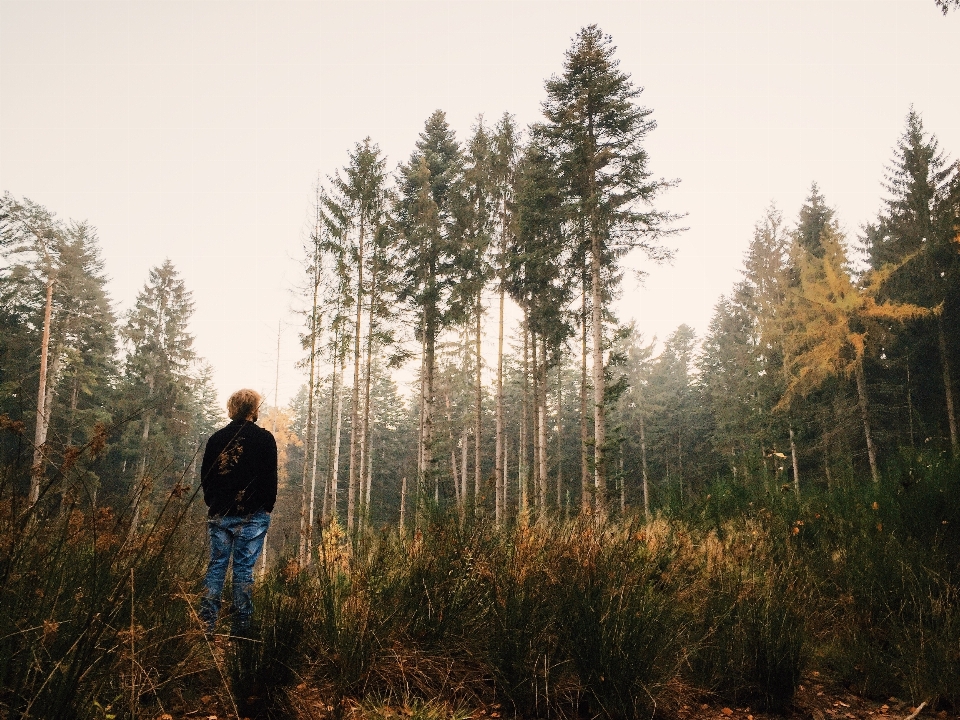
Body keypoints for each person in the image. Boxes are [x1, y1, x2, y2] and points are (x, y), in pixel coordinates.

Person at [199, 388, 277, 637]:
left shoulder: (217, 439)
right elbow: (269, 478)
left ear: (231, 408)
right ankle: (241, 632)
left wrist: (213, 501)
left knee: (216, 567)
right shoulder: (265, 439)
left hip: (220, 513)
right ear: (254, 409)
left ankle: (206, 628)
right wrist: (266, 506)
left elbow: (207, 477)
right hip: (253, 515)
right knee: (243, 569)